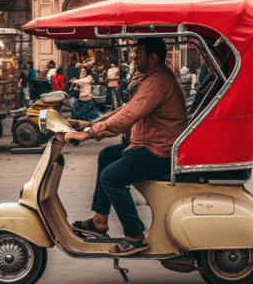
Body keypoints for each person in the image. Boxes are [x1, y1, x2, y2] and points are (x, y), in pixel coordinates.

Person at [65, 37, 188, 256]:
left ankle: (135, 235)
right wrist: (92, 124)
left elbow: (130, 115)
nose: (133, 58)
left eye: (138, 55)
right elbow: (128, 108)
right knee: (106, 156)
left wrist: (89, 134)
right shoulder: (152, 78)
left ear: (153, 57)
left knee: (110, 177)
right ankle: (100, 220)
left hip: (159, 150)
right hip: (147, 144)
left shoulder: (157, 81)